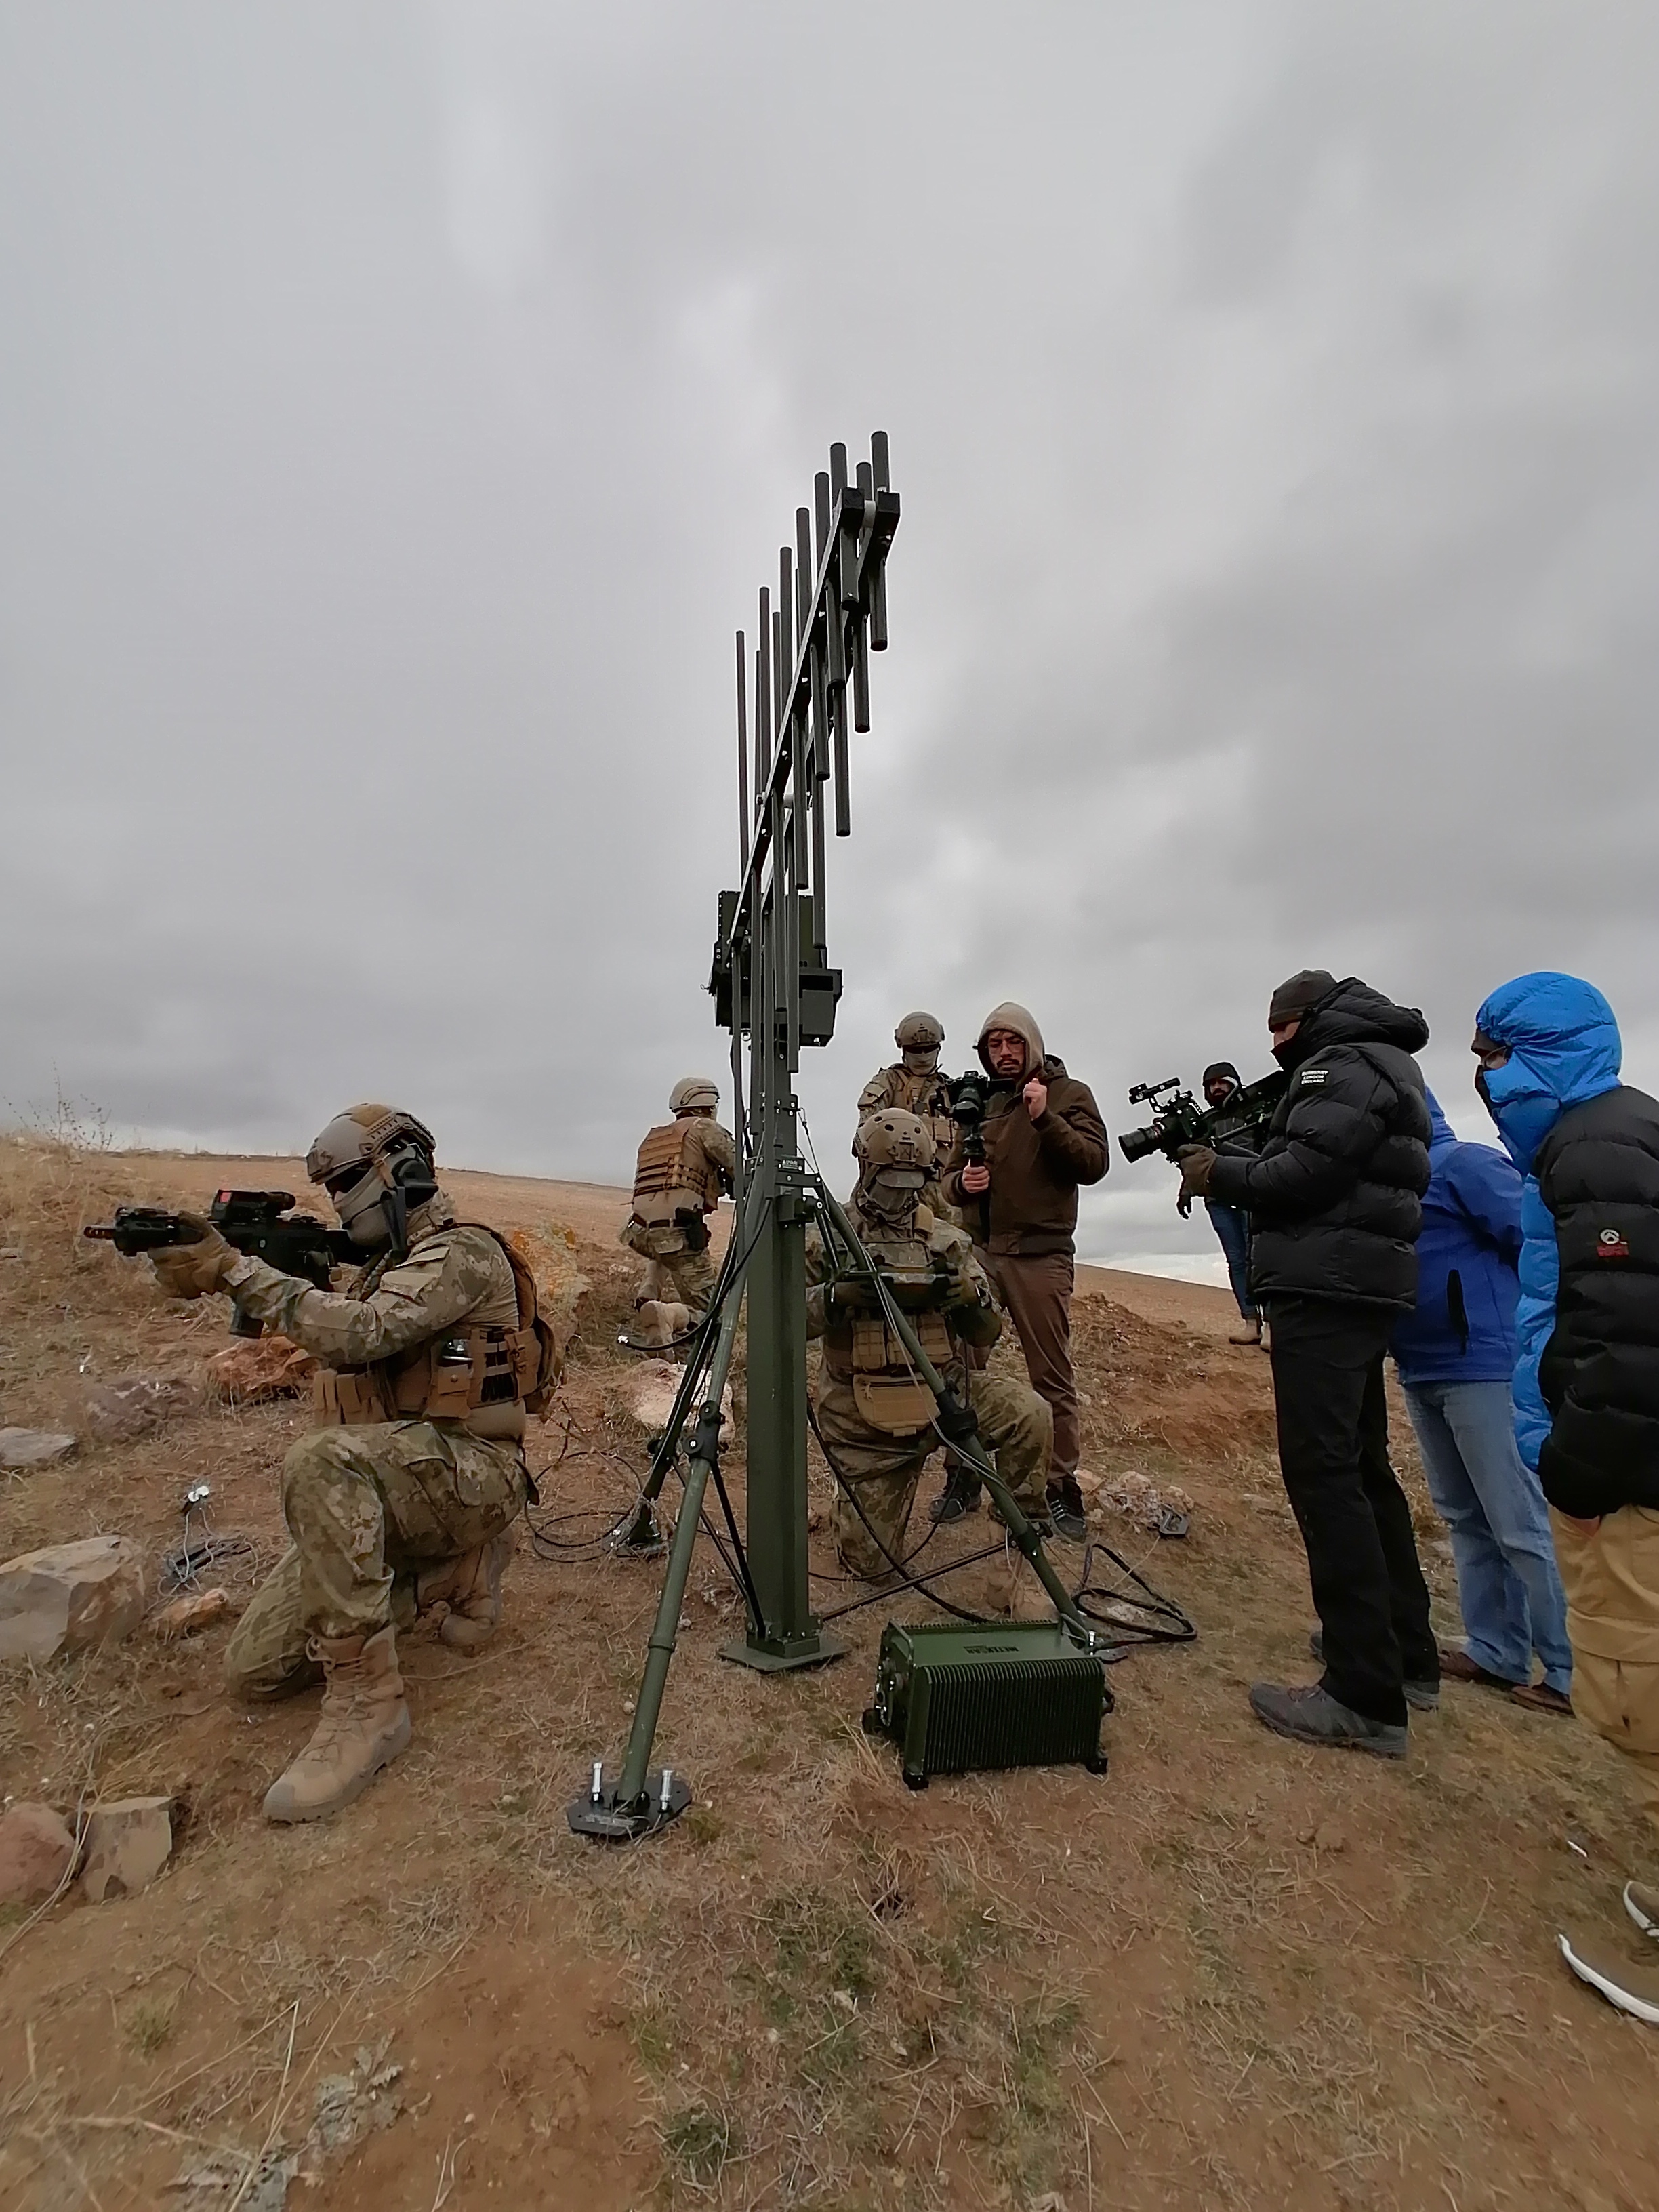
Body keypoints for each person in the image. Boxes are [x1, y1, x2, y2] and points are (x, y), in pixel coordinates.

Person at [148, 1105, 556, 1822]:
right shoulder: (386, 1267)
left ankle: (370, 1709)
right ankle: (450, 1572)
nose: (336, 1201)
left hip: (474, 1473)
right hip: (403, 1485)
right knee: (257, 1670)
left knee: (322, 1461)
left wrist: (240, 1273)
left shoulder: (462, 1254)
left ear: (399, 1170)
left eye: (343, 1183)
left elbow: (362, 1335)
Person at [1180, 970, 1437, 1757]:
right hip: (1359, 1284)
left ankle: (1364, 1694)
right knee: (1363, 1469)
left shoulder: (1341, 1064)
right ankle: (1404, 1656)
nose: (1275, 1045)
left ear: (1309, 1021)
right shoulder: (1385, 1060)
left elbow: (1303, 1175)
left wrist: (1217, 1170)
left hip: (1326, 1289)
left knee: (1325, 1474)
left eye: (1282, 1029)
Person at [1470, 973, 1659, 2024]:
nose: (1485, 1080)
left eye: (1495, 1056)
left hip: (1625, 1479)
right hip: (1623, 1463)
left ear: (1541, 1056)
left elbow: (1621, 1332)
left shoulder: (1593, 1150)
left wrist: (1583, 1477)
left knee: (1643, 1691)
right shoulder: (1603, 1138)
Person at [806, 1109, 1053, 1609]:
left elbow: (987, 1331)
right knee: (871, 1567)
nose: (900, 1193)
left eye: (911, 1182)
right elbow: (783, 1319)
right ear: (864, 1167)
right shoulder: (828, 1236)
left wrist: (968, 1297)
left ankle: (1016, 1544)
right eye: (890, 1181)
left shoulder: (947, 1240)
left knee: (1031, 1416)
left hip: (943, 1393)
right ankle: (857, 1500)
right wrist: (837, 1298)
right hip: (863, 1412)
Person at [1390, 1088, 1574, 1717]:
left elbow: (1536, 1246)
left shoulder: (1466, 1164)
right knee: (1465, 1517)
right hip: (1421, 1368)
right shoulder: (1391, 1183)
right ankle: (1496, 1649)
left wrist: (1534, 1339)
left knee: (1519, 1522)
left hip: (1486, 1367)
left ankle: (1572, 1670)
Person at [935, 1002, 1108, 1542]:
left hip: (1042, 1256)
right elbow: (945, 1181)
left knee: (1050, 1375)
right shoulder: (979, 1102)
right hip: (983, 1253)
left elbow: (1093, 1164)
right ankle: (963, 1473)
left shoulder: (1069, 1093)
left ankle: (1059, 1487)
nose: (1004, 1054)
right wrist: (963, 1186)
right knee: (962, 1365)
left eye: (1013, 1043)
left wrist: (1044, 1117)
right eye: (994, 1045)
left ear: (1031, 1044)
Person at [620, 1077, 737, 1344]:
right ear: (709, 1104)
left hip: (639, 1232)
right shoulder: (705, 1128)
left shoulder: (657, 1136)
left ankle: (649, 1292)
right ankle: (670, 1314)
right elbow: (742, 1167)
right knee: (713, 1315)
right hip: (675, 1235)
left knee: (664, 1246)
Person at [1186, 1061, 1264, 1347]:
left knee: (1258, 1257)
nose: (1217, 1088)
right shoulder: (1204, 1123)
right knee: (1236, 1261)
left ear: (1234, 1083)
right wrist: (1187, 1191)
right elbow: (1194, 1162)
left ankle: (1273, 1325)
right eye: (1211, 1084)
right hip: (1217, 1198)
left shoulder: (1255, 1111)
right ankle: (1250, 1323)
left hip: (1251, 1192)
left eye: (1222, 1082)